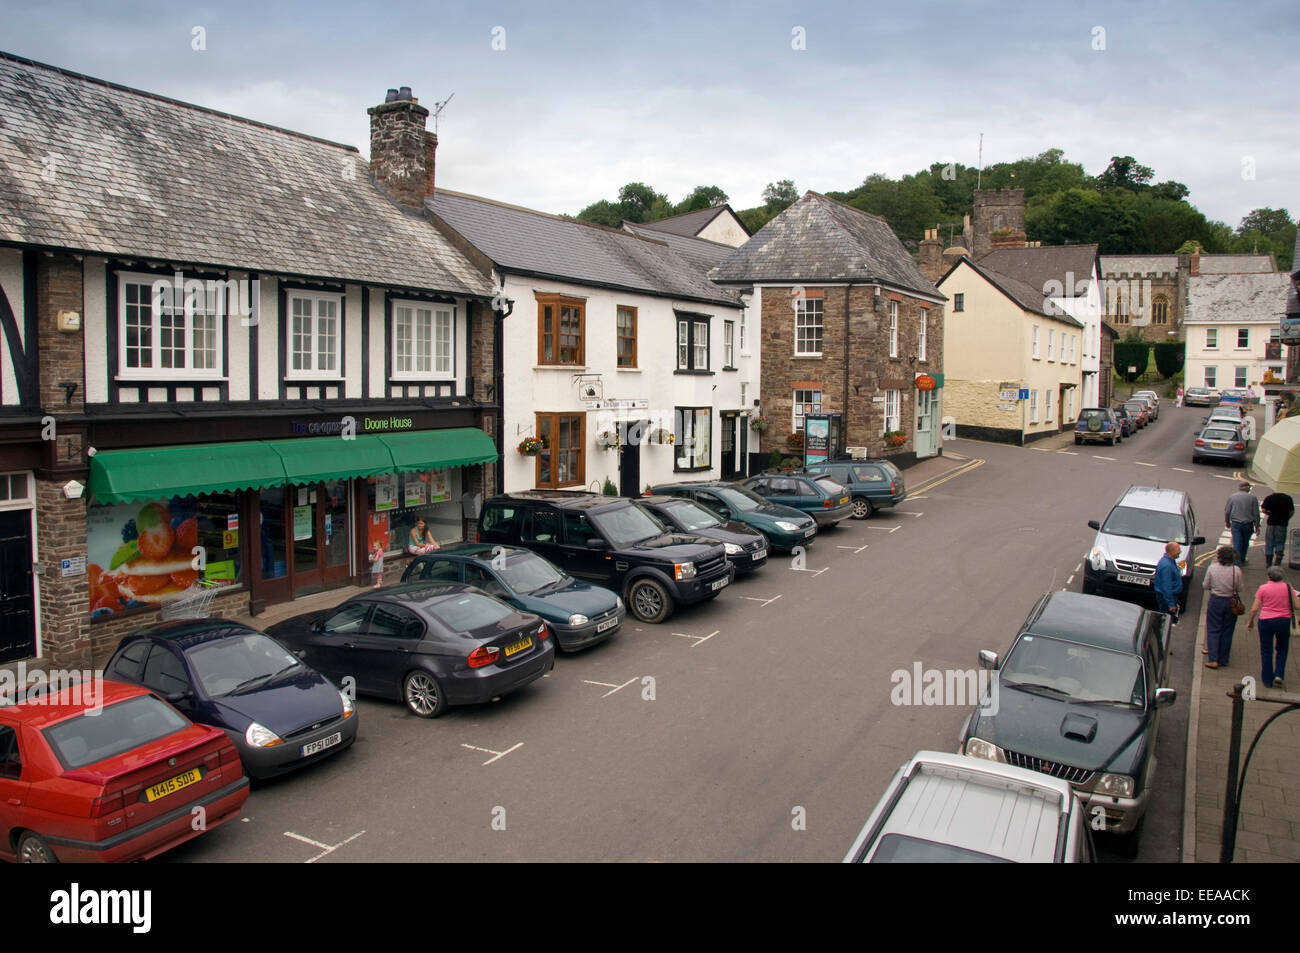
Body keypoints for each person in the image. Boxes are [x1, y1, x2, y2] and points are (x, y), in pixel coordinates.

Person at [1246, 566, 1300, 689]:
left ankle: (1267, 680)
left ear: (1269, 576)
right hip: (1284, 622)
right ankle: (1279, 674)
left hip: (1266, 621)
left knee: (1266, 650)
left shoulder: (1263, 588)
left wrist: (1250, 622)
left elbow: (1254, 608)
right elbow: (1297, 606)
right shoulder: (1288, 588)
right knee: (1282, 648)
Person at [1202, 545, 1243, 668]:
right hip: (1231, 601)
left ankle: (1213, 658)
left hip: (1216, 600)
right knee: (1227, 631)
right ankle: (1223, 659)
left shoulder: (1212, 568)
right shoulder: (1236, 570)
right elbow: (1240, 588)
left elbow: (1205, 585)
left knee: (1214, 629)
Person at [1225, 482, 1261, 566]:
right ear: (1247, 488)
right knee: (1245, 542)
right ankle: (1242, 559)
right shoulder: (1253, 498)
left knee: (1237, 542)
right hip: (1248, 524)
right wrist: (1257, 526)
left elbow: (1227, 512)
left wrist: (1227, 522)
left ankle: (1237, 562)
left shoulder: (1232, 497)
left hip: (1236, 524)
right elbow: (1256, 513)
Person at [1261, 488, 1295, 568]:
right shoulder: (1288, 498)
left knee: (1269, 543)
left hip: (1271, 523)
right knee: (1280, 542)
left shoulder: (1270, 498)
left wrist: (1269, 513)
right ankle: (1278, 561)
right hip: (1282, 523)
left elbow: (1264, 509)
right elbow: (1291, 512)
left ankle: (1268, 562)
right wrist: (1287, 518)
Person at [1153, 540, 1183, 624]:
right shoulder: (1167, 566)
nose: (1180, 551)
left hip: (1167, 597)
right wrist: (1171, 604)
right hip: (1167, 598)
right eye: (1178, 549)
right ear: (1171, 551)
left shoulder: (1168, 561)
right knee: (1166, 622)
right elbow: (1166, 586)